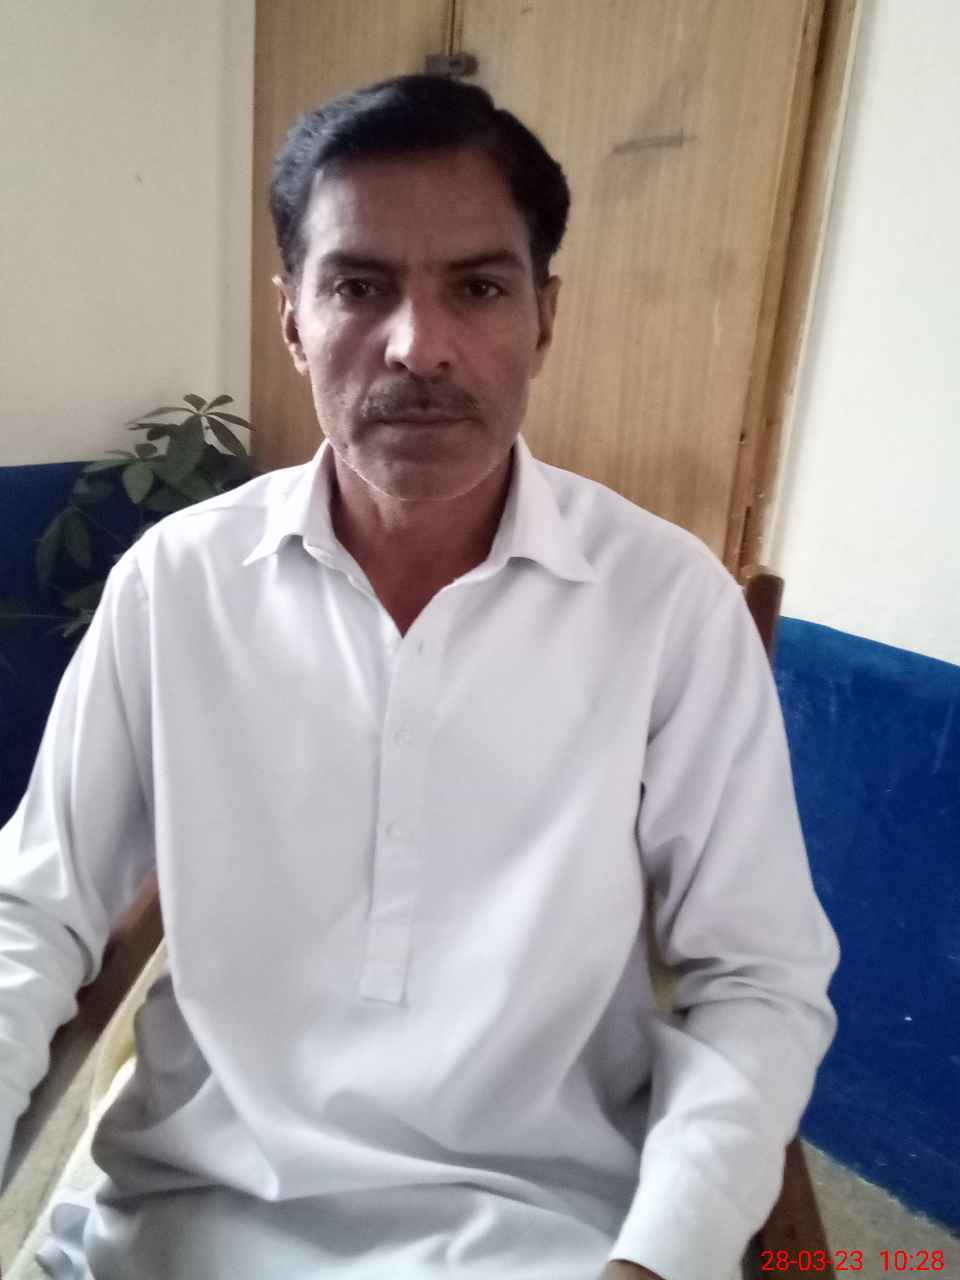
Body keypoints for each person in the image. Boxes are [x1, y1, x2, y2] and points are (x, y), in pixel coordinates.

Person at [0, 74, 839, 1280]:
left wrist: (663, 1252)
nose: (418, 346)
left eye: (480, 288)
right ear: (292, 321)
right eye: (358, 286)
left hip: (545, 1234)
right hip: (186, 1218)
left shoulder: (666, 605)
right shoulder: (177, 586)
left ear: (544, 318)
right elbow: (32, 909)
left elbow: (759, 972)